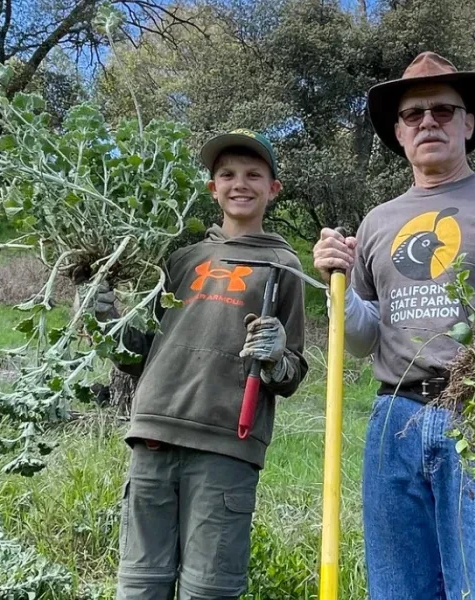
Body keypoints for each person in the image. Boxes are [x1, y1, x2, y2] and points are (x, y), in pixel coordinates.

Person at [312, 51, 475, 599]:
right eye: (414, 114)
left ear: (468, 123)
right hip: (393, 421)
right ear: (399, 133)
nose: (428, 121)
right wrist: (336, 287)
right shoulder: (378, 221)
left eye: (444, 111)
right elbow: (361, 338)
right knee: (399, 588)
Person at [105, 129, 309, 600]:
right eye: (227, 174)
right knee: (139, 585)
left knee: (209, 589)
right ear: (211, 187)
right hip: (154, 432)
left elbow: (292, 373)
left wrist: (278, 354)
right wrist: (104, 315)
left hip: (226, 445)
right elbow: (138, 353)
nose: (240, 183)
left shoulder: (284, 266)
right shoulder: (180, 258)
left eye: (254, 175)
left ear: (273, 188)